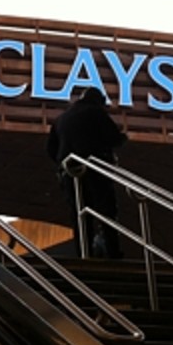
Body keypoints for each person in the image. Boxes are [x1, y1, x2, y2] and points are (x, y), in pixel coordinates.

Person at [46, 86, 128, 258]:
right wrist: (123, 139)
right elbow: (113, 137)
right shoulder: (95, 112)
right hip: (94, 167)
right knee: (106, 210)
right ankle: (113, 251)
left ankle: (84, 253)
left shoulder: (62, 118)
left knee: (79, 214)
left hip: (70, 172)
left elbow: (51, 148)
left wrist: (63, 163)